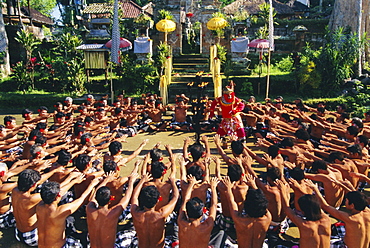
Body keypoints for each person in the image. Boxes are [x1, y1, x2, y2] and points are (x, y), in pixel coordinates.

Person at [36, 177, 100, 248]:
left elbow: (59, 193)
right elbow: (81, 199)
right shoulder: (59, 212)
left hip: (41, 246)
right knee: (82, 243)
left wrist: (73, 181)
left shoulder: (39, 206)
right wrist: (92, 184)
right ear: (58, 196)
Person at [307, 180, 370, 248]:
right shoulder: (368, 211)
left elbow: (325, 206)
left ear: (352, 205)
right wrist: (342, 185)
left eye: (346, 200)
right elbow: (358, 198)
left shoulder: (350, 218)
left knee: (321, 241)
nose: (345, 202)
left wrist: (315, 189)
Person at [86, 172, 138, 248]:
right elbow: (127, 197)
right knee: (132, 231)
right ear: (110, 201)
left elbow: (93, 197)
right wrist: (131, 181)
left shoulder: (89, 209)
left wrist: (105, 181)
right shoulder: (113, 213)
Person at [276, 180, 331, 248]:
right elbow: (321, 205)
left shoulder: (304, 224)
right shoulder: (327, 220)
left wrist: (283, 191)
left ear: (303, 212)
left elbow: (287, 208)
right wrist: (315, 189)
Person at [131, 173, 179, 248]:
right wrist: (173, 182)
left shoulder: (135, 213)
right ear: (157, 200)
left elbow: (135, 196)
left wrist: (142, 181)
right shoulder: (161, 214)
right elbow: (175, 197)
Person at [222, 176, 271, 248]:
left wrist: (228, 189)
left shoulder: (239, 219)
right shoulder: (267, 218)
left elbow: (231, 201)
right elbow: (262, 202)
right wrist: (253, 185)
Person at [177, 176, 218, 248]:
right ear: (202, 213)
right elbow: (214, 205)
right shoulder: (207, 225)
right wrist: (213, 188)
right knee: (221, 234)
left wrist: (191, 185)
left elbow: (185, 201)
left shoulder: (181, 222)